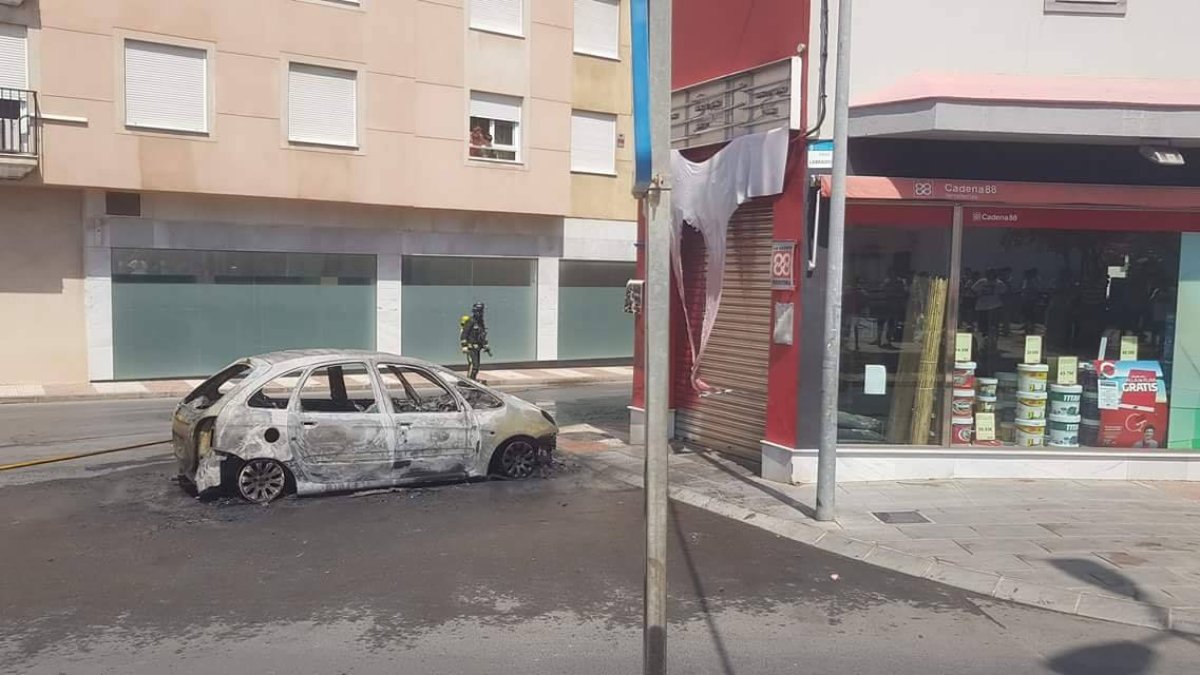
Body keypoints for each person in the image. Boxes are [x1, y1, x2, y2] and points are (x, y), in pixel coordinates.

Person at [460, 302, 492, 380]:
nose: (479, 313)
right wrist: (464, 346)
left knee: (476, 366)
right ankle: (469, 382)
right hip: (470, 348)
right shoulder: (470, 321)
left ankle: (473, 380)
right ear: (474, 311)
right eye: (478, 311)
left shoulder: (480, 322)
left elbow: (482, 335)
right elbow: (464, 334)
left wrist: (485, 345)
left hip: (477, 348)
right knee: (473, 365)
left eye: (481, 311)